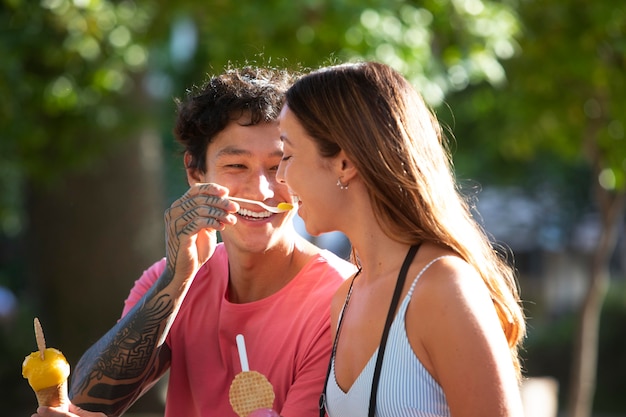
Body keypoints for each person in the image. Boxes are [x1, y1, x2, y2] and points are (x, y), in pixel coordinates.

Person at [32, 66, 357, 417]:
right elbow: (89, 401)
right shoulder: (171, 279)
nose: (261, 191)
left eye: (278, 166)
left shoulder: (340, 300)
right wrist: (175, 279)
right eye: (236, 166)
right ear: (195, 173)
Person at [275, 61, 526, 417]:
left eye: (287, 154)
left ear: (344, 163)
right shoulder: (345, 298)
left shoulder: (442, 287)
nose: (281, 177)